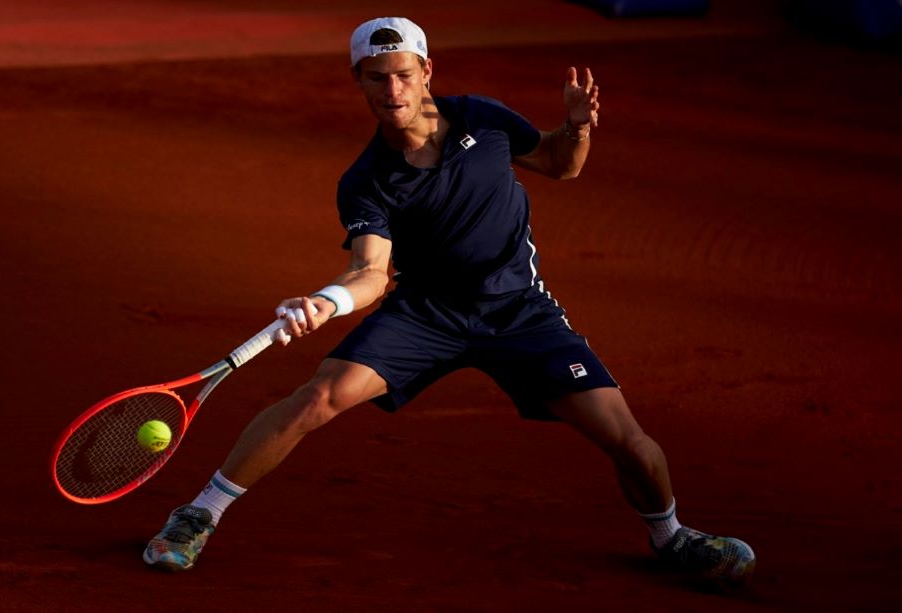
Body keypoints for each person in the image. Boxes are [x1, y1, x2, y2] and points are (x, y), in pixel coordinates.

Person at [143, 16, 755, 587]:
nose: (392, 89)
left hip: (519, 311)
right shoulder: (367, 179)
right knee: (320, 396)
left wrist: (577, 126)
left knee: (629, 441)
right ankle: (198, 515)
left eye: (404, 74)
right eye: (377, 78)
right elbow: (372, 271)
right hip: (427, 316)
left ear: (427, 72)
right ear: (358, 81)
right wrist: (327, 302)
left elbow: (557, 164)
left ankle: (671, 538)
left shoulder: (482, 120)